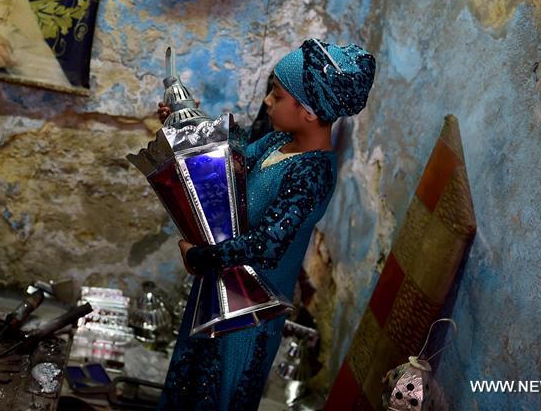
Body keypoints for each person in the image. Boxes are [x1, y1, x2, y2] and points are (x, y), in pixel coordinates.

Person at [157, 39, 376, 410]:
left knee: (219, 397)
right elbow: (231, 155)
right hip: (218, 290)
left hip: (247, 316)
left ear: (307, 111)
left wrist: (200, 256)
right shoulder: (278, 141)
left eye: (276, 95)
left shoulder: (313, 173)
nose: (268, 103)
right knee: (188, 389)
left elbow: (266, 245)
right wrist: (184, 120)